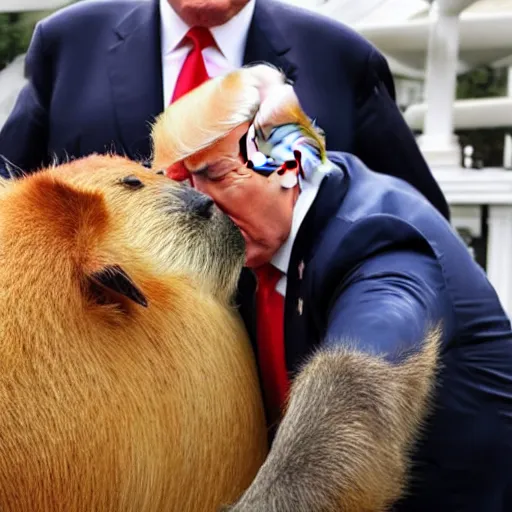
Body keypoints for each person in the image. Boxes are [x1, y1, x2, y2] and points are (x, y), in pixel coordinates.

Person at [156, 63, 512, 511]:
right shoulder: (265, 233)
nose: (199, 202)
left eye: (218, 175)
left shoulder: (376, 236)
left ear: (290, 161)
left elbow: (356, 386)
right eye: (184, 182)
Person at [0, 0, 450, 219]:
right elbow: (8, 193)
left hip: (279, 372)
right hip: (110, 365)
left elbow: (418, 217)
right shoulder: (68, 42)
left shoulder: (340, 57)